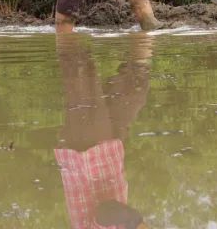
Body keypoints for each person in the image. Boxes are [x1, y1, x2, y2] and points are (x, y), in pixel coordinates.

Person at [54, 33, 154, 229]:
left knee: (82, 71)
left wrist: (137, 224)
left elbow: (106, 211)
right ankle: (144, 32)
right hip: (111, 151)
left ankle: (67, 25)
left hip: (87, 153)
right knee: (135, 88)